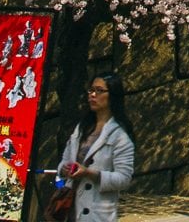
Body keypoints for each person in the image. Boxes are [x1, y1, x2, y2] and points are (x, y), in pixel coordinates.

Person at [57, 73, 135, 222]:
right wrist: (64, 169)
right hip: (70, 207)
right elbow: (65, 160)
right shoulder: (81, 128)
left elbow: (124, 179)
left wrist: (90, 173)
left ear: (112, 95)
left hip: (97, 213)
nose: (93, 95)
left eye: (99, 91)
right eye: (91, 90)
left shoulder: (120, 135)